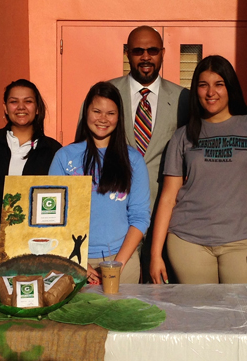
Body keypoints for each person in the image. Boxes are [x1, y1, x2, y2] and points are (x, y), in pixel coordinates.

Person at [149, 55, 247, 284]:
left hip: (244, 241)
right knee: (199, 314)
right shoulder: (182, 135)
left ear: (230, 87)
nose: (211, 93)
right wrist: (155, 254)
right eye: (203, 85)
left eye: (219, 84)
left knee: (243, 314)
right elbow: (168, 197)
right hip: (188, 241)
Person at [102, 26, 189, 282]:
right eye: (138, 51)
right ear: (128, 53)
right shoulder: (105, 94)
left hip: (167, 212)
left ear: (162, 53)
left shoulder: (185, 99)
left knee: (163, 295)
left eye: (152, 50)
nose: (146, 57)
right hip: (114, 213)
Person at [50, 82, 150, 284]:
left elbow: (139, 217)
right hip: (73, 259)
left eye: (110, 113)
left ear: (119, 116)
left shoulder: (133, 159)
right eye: (97, 111)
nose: (103, 119)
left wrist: (118, 266)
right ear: (86, 112)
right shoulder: (64, 157)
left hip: (122, 261)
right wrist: (79, 262)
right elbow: (54, 217)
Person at [0, 79, 62, 275]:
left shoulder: (53, 151)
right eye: (14, 101)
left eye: (28, 101)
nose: (21, 107)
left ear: (37, 108)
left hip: (34, 254)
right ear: (5, 107)